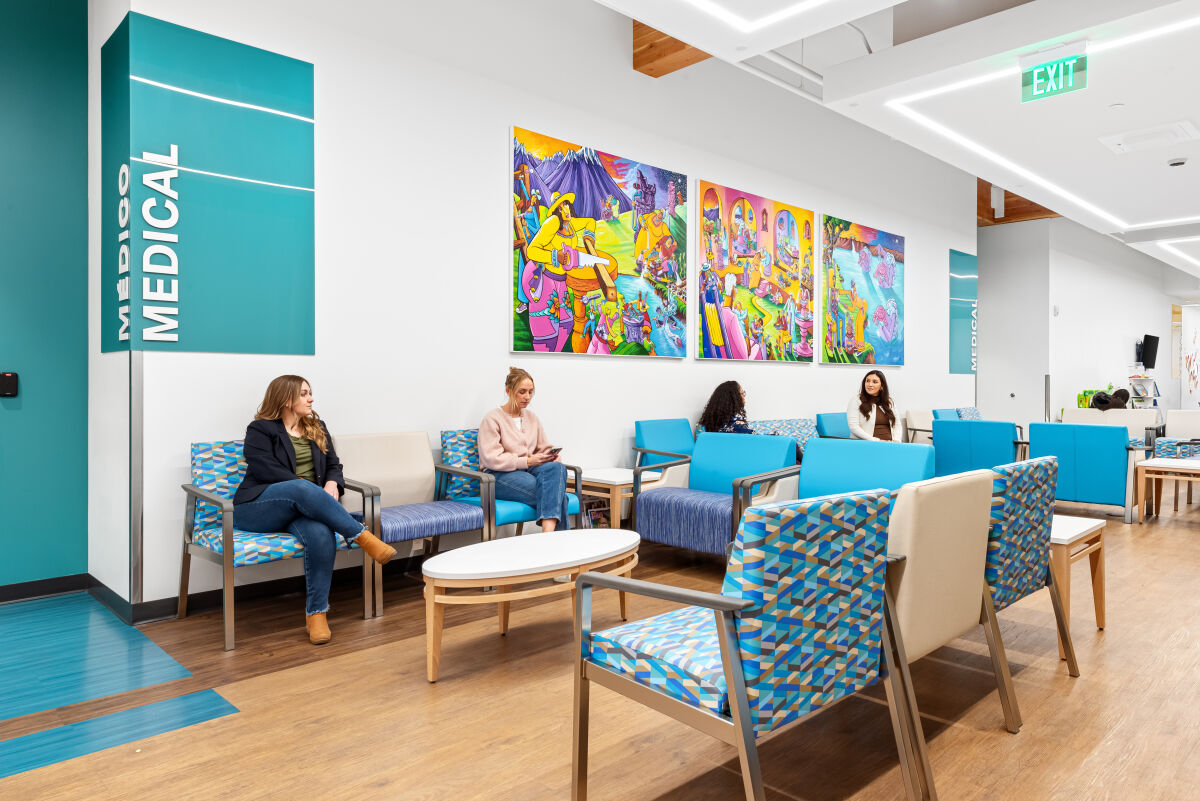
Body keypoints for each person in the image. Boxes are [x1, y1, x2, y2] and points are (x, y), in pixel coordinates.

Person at [232, 375, 397, 645]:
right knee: (301, 487)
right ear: (286, 399)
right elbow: (264, 469)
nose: (311, 399)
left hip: (305, 509)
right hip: (258, 507)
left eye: (310, 393)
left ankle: (316, 615)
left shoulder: (316, 426)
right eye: (304, 394)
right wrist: (309, 490)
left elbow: (334, 464)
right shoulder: (260, 429)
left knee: (321, 534)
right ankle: (362, 536)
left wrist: (333, 482)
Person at [478, 367, 570, 532]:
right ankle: (553, 544)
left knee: (557, 468)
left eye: (530, 392)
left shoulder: (532, 418)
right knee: (559, 496)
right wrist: (527, 461)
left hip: (528, 470)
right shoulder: (492, 418)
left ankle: (549, 541)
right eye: (522, 392)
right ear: (508, 390)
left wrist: (551, 457)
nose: (527, 397)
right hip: (498, 476)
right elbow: (491, 458)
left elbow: (544, 447)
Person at [847, 370, 900, 441]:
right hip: (868, 443)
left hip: (890, 444)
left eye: (875, 382)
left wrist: (896, 440)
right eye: (867, 381)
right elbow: (853, 427)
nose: (870, 384)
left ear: (882, 386)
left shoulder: (889, 401)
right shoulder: (856, 400)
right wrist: (876, 440)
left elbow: (897, 424)